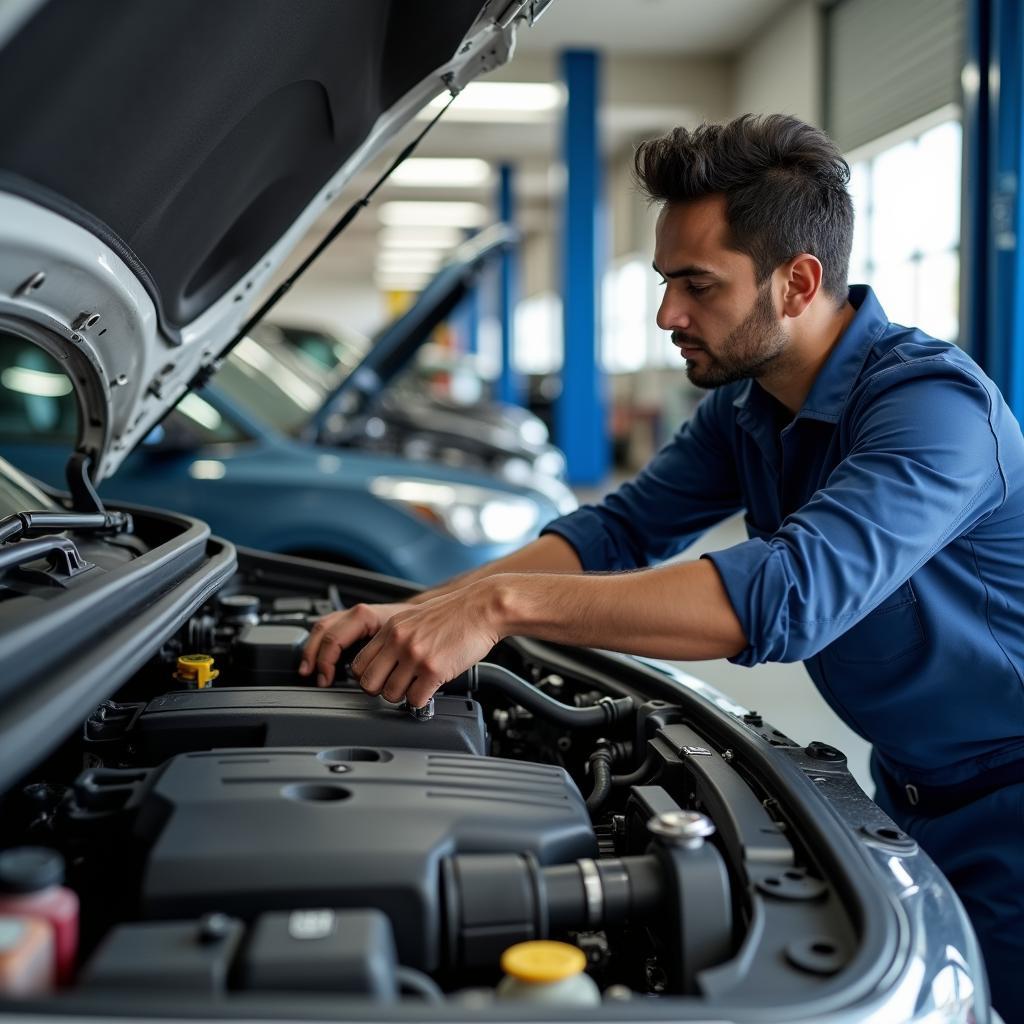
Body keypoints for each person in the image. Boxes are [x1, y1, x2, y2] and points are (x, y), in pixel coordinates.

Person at [299, 114, 1024, 1019]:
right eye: (664, 281)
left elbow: (784, 596)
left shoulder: (935, 412)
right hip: (909, 789)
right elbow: (618, 531)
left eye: (697, 284)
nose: (667, 314)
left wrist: (501, 606)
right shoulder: (750, 407)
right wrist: (424, 609)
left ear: (797, 283)